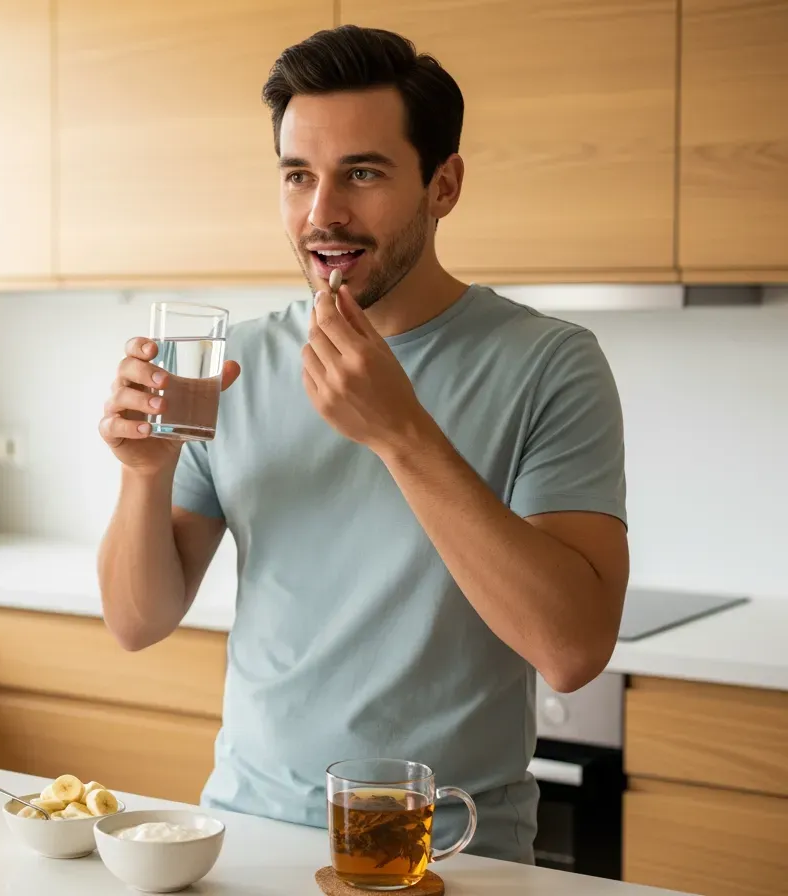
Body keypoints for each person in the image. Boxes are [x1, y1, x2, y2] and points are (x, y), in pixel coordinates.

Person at [95, 25, 628, 864]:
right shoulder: (235, 364)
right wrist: (144, 476)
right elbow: (135, 621)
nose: (322, 213)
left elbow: (572, 651)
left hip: (451, 854)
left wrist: (401, 432)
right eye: (298, 175)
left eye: (363, 174)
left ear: (443, 185)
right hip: (248, 838)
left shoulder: (549, 365)